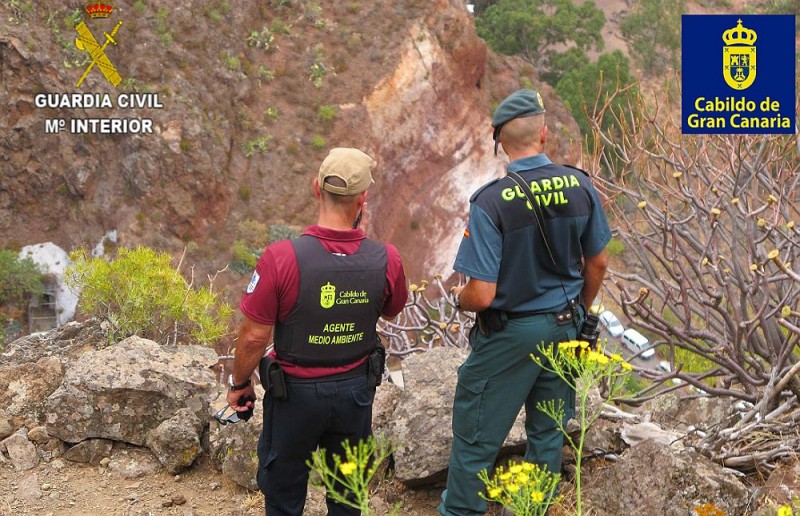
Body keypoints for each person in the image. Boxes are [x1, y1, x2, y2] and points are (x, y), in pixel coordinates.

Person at [439, 89, 611, 516]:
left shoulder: (491, 203)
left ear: (501, 145)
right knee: (548, 434)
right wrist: (579, 313)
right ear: (544, 135)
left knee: (476, 438)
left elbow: (482, 294)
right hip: (566, 326)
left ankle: (460, 511)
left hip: (511, 335)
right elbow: (599, 263)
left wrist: (459, 300)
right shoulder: (580, 185)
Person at [227, 147, 408, 516]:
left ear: (316, 188)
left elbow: (253, 337)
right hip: (355, 395)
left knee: (284, 493)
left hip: (294, 397)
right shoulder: (387, 259)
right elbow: (392, 308)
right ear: (363, 198)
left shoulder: (281, 258)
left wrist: (239, 384)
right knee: (347, 495)